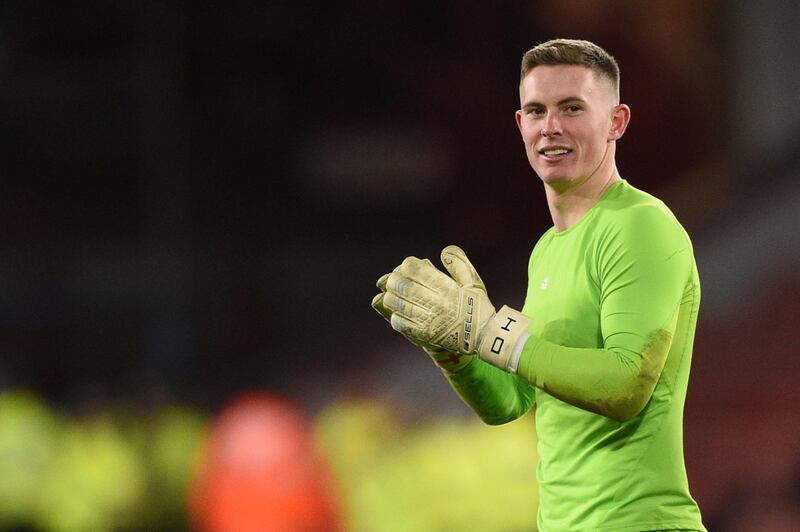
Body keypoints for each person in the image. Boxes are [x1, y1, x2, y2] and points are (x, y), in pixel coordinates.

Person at [372, 38, 706, 531]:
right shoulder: (548, 248)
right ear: (520, 125)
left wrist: (495, 335)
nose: (551, 127)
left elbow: (626, 383)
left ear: (616, 121)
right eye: (536, 110)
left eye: (572, 108)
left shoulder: (641, 225)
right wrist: (457, 349)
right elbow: (512, 401)